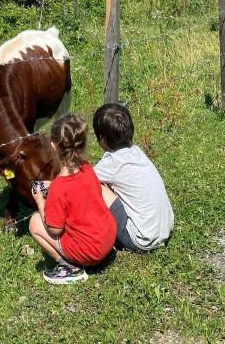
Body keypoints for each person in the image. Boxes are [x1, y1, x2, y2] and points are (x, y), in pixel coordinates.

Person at [29, 113, 116, 285]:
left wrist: (40, 200)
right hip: (108, 237)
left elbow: (54, 230)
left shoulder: (58, 189)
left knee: (34, 222)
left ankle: (70, 268)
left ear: (53, 145)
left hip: (91, 253)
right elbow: (76, 189)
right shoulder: (87, 168)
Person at [93, 103, 174, 253]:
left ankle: (96, 231)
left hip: (141, 239)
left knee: (95, 186)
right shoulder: (136, 152)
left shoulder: (113, 163)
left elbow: (82, 179)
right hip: (165, 228)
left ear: (101, 138)